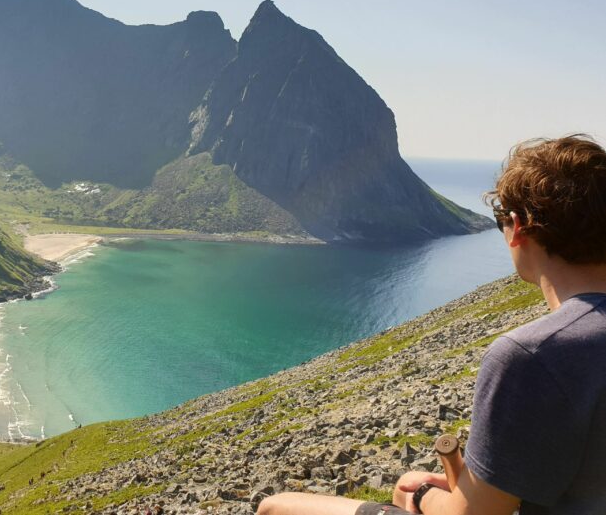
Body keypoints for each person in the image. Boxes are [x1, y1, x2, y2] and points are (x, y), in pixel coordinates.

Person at [258, 135, 606, 515]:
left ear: (518, 227)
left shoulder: (534, 356)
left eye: (501, 220)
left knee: (277, 507)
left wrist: (424, 494)